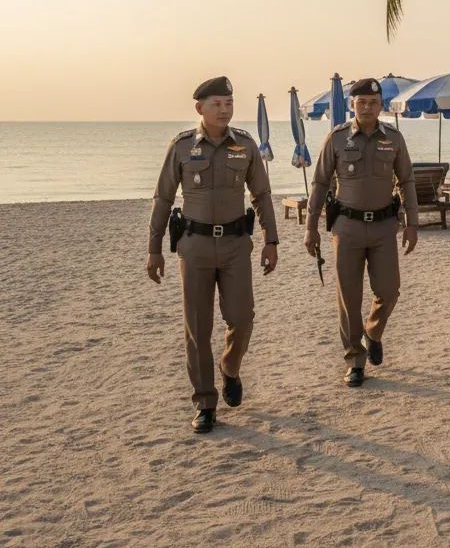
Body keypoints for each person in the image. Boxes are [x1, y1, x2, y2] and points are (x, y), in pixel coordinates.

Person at [146, 76, 279, 433]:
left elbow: (262, 196)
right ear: (199, 108)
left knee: (242, 317)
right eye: (217, 104)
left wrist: (271, 240)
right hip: (195, 246)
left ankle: (230, 368)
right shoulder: (182, 147)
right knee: (198, 328)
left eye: (229, 103)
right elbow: (162, 198)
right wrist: (154, 247)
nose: (224, 109)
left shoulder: (246, 146)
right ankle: (205, 402)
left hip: (237, 246)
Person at [303, 77, 419, 388]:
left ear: (381, 105)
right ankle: (355, 360)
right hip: (348, 228)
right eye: (361, 102)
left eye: (373, 102)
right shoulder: (337, 139)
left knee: (389, 291)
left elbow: (406, 180)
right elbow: (320, 183)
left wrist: (412, 222)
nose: (367, 107)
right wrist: (311, 226)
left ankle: (373, 332)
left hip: (384, 228)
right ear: (353, 105)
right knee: (349, 298)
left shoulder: (393, 138)